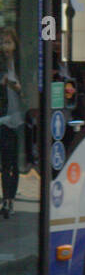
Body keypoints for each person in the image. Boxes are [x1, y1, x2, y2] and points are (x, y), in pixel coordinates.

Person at [0, 27, 30, 219]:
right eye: (2, 42)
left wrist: (19, 89)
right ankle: (6, 199)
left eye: (8, 42)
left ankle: (11, 199)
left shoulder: (21, 65)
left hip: (18, 119)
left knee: (15, 164)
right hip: (3, 119)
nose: (5, 46)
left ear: (15, 44)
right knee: (5, 164)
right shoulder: (1, 66)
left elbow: (28, 94)